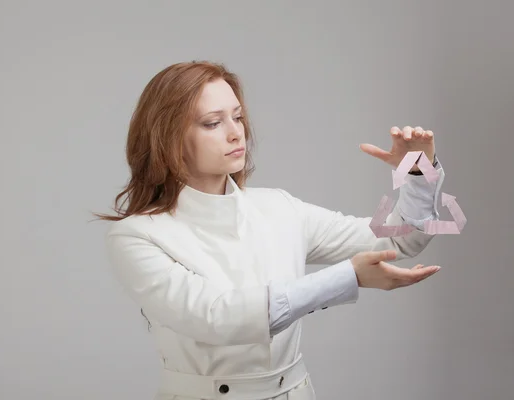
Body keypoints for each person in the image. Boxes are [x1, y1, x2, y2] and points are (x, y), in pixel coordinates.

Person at [95, 60, 445, 400]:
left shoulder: (278, 207)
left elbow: (400, 240)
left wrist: (418, 172)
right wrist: (347, 278)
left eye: (237, 117)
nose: (236, 133)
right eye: (212, 123)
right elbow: (217, 318)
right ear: (167, 137)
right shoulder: (137, 236)